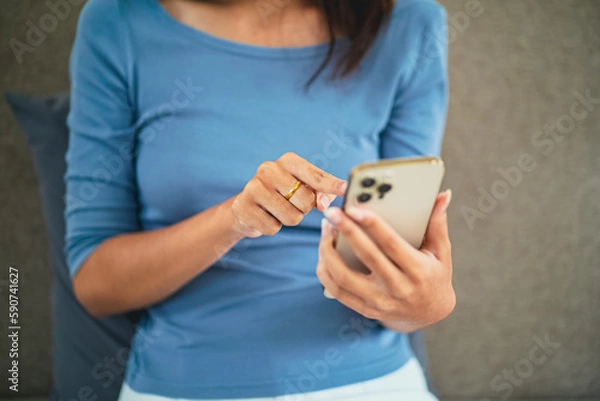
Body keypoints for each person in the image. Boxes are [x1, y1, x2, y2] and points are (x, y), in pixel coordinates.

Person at [64, 0, 455, 399]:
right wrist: (234, 220)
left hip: (370, 379)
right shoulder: (118, 20)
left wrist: (423, 305)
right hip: (186, 381)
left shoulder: (407, 21)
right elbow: (97, 285)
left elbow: (396, 266)